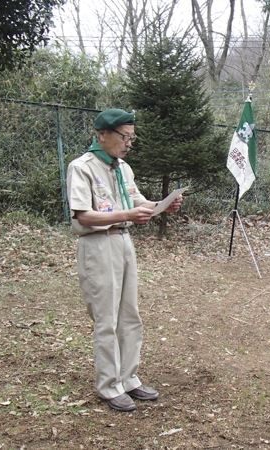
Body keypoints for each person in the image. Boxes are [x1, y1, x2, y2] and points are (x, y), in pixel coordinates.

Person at [66, 109, 182, 412]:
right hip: (97, 244)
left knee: (130, 314)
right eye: (124, 136)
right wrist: (128, 215)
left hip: (123, 241)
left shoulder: (122, 168)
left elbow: (136, 201)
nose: (129, 143)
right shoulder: (82, 167)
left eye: (132, 137)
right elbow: (83, 215)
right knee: (106, 318)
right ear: (102, 134)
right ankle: (108, 385)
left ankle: (128, 378)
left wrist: (162, 205)